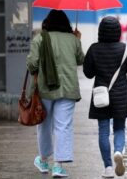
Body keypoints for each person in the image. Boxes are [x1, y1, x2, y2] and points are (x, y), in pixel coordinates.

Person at [27, 9, 84, 178]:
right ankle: (58, 166)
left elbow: (32, 64)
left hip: (45, 89)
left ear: (47, 22)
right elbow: (80, 59)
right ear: (66, 23)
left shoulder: (40, 39)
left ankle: (44, 160)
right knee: (63, 125)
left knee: (44, 124)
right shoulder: (73, 39)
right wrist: (77, 40)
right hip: (68, 88)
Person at [83, 16, 127, 178]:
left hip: (101, 95)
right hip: (120, 95)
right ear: (118, 31)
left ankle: (108, 167)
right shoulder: (126, 49)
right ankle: (118, 151)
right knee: (120, 128)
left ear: (101, 31)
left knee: (103, 131)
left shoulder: (94, 49)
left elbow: (88, 73)